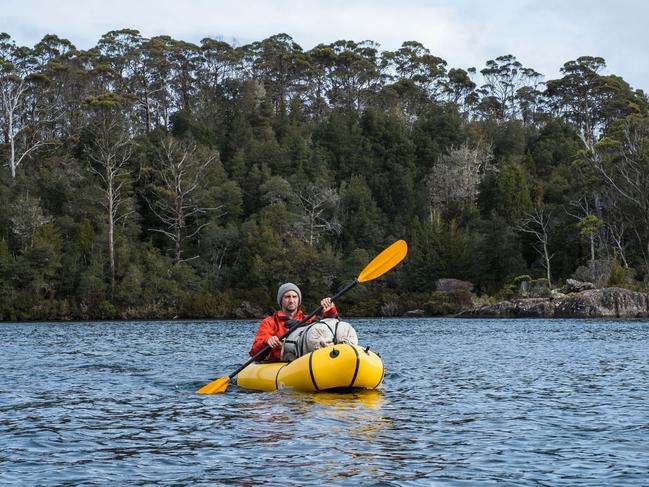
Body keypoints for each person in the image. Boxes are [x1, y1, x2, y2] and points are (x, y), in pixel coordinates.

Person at [249, 282, 338, 361]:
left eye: (294, 297)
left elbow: (330, 324)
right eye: (287, 297)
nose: (291, 300)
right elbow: (254, 353)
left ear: (298, 300)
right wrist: (267, 341)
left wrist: (330, 310)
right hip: (279, 364)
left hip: (304, 362)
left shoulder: (309, 319)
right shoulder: (269, 322)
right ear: (281, 300)